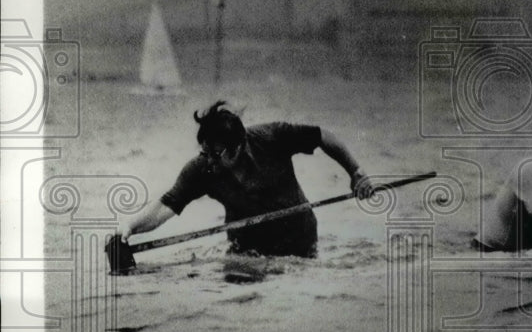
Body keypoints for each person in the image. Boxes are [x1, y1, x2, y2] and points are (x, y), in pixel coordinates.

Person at [121, 101, 375, 258]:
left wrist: (356, 172)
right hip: (249, 248)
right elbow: (166, 207)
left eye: (215, 154)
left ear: (238, 148)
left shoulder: (271, 137)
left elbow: (322, 136)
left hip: (299, 238)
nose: (208, 160)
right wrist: (130, 228)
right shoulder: (202, 169)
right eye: (204, 152)